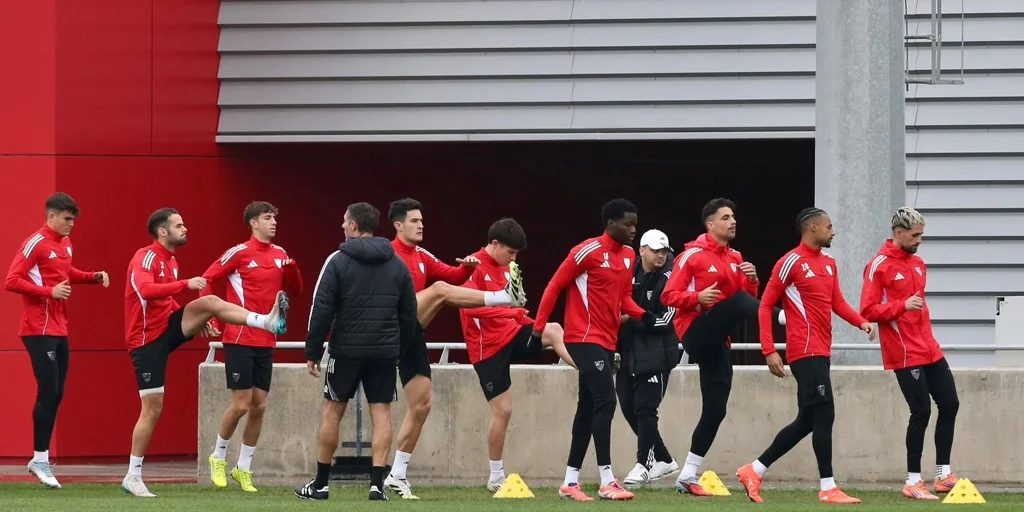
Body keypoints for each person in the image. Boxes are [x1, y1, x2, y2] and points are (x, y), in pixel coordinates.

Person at [121, 207, 290, 498]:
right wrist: (186, 284)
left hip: (167, 327)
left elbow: (167, 304)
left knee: (209, 303)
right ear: (162, 231)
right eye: (179, 225)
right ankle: (132, 476)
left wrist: (196, 320)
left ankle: (265, 322)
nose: (185, 229)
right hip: (146, 340)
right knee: (153, 408)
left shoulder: (171, 260)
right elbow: (146, 291)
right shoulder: (145, 256)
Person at [384, 198, 526, 499]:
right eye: (414, 221)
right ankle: (503, 297)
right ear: (398, 225)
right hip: (387, 328)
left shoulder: (422, 255)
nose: (421, 225)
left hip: (412, 335)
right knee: (438, 291)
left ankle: (395, 475)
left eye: (422, 220)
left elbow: (453, 276)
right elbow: (443, 289)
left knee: (421, 405)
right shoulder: (386, 253)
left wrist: (466, 268)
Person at [736, 207, 876, 505]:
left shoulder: (830, 264)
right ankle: (828, 487)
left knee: (807, 420)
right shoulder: (790, 262)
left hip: (821, 351)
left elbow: (837, 301)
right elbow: (765, 305)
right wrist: (769, 349)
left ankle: (754, 469)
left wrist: (861, 322)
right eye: (829, 226)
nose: (833, 231)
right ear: (812, 227)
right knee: (825, 413)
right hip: (804, 350)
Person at [295, 202, 417, 502]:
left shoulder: (337, 261)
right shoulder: (397, 263)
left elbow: (321, 309)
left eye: (344, 221)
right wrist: (399, 350)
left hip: (345, 350)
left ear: (353, 225)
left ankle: (321, 485)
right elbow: (409, 314)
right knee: (382, 412)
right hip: (384, 352)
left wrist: (313, 350)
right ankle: (377, 485)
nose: (341, 226)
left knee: (333, 410)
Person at [660, 198, 783, 495]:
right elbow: (668, 296)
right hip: (694, 331)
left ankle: (687, 475)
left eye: (733, 217)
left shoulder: (736, 257)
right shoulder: (692, 256)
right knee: (740, 302)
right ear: (710, 224)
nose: (733, 221)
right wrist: (697, 298)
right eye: (725, 217)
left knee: (716, 409)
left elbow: (742, 299)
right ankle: (785, 316)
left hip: (718, 338)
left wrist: (752, 282)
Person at [533, 198, 653, 502]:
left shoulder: (629, 256)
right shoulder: (587, 251)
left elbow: (624, 298)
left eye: (635, 225)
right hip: (583, 338)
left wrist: (643, 314)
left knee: (587, 408)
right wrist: (538, 328)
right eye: (627, 224)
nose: (633, 230)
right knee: (606, 401)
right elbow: (554, 286)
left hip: (607, 340)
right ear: (610, 224)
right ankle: (607, 480)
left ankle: (569, 482)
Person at [458, 218, 576, 491]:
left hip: (511, 335)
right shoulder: (472, 266)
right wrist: (511, 312)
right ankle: (495, 477)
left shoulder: (507, 268)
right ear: (495, 244)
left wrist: (530, 322)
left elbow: (515, 310)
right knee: (504, 410)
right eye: (510, 252)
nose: (513, 258)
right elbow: (468, 307)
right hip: (487, 348)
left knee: (552, 330)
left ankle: (590, 370)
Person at [5, 192, 110, 489]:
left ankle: (40, 459)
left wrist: (91, 277)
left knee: (56, 394)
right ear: (51, 216)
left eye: (73, 219)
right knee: (48, 391)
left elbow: (65, 273)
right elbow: (12, 280)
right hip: (37, 328)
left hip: (59, 328)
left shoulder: (65, 243)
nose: (71, 224)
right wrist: (49, 293)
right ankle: (40, 459)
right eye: (66, 219)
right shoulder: (35, 243)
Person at [203, 201, 304, 493]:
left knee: (259, 406)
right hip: (238, 338)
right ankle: (218, 456)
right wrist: (212, 317)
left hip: (266, 339)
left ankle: (243, 468)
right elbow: (206, 280)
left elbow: (296, 290)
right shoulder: (239, 253)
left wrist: (293, 270)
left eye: (274, 217)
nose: (274, 222)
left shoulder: (281, 254)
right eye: (267, 217)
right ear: (253, 222)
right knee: (241, 404)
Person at [859, 206, 960, 499]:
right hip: (903, 351)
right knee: (921, 411)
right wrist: (902, 306)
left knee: (950, 404)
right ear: (899, 233)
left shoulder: (918, 264)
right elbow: (868, 310)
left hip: (929, 347)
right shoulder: (878, 265)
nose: (919, 241)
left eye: (921, 235)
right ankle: (913, 481)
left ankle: (943, 475)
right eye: (915, 236)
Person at [618, 229, 681, 487]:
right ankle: (664, 459)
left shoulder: (671, 277)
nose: (660, 255)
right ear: (642, 250)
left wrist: (633, 318)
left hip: (658, 353)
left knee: (645, 409)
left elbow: (668, 320)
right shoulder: (628, 271)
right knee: (628, 407)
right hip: (629, 351)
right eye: (655, 250)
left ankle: (644, 464)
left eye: (664, 251)